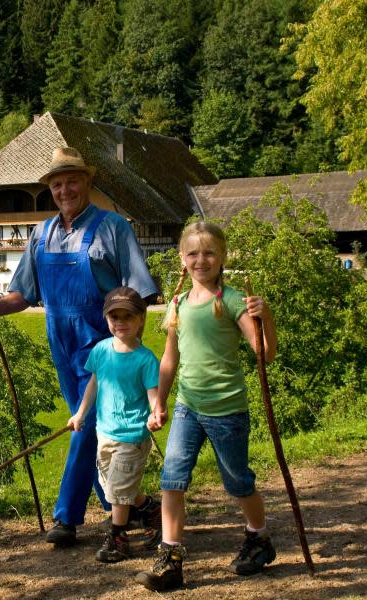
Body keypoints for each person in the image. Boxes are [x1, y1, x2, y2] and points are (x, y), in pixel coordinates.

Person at [0, 147, 160, 547]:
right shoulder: (40, 234)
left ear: (87, 183)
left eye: (72, 180)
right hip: (62, 346)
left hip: (106, 347)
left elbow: (139, 291)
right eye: (57, 184)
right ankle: (134, 508)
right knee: (94, 431)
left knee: (87, 425)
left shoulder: (114, 228)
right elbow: (21, 294)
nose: (65, 189)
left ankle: (67, 517)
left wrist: (126, 342)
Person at [135, 221, 278, 592]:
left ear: (223, 258)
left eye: (210, 252)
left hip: (227, 410)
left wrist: (268, 319)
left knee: (238, 482)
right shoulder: (178, 304)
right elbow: (170, 359)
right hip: (187, 407)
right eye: (194, 253)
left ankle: (259, 538)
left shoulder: (231, 302)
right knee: (172, 478)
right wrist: (160, 402)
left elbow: (265, 354)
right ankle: (170, 557)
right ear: (183, 259)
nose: (202, 260)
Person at [67, 286, 162, 562]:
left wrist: (156, 413)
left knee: (117, 494)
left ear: (141, 319)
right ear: (106, 319)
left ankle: (118, 537)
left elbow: (153, 395)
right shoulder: (100, 350)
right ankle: (149, 509)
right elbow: (93, 384)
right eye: (114, 317)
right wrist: (80, 413)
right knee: (113, 486)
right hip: (104, 434)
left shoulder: (145, 360)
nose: (120, 323)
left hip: (132, 436)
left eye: (127, 317)